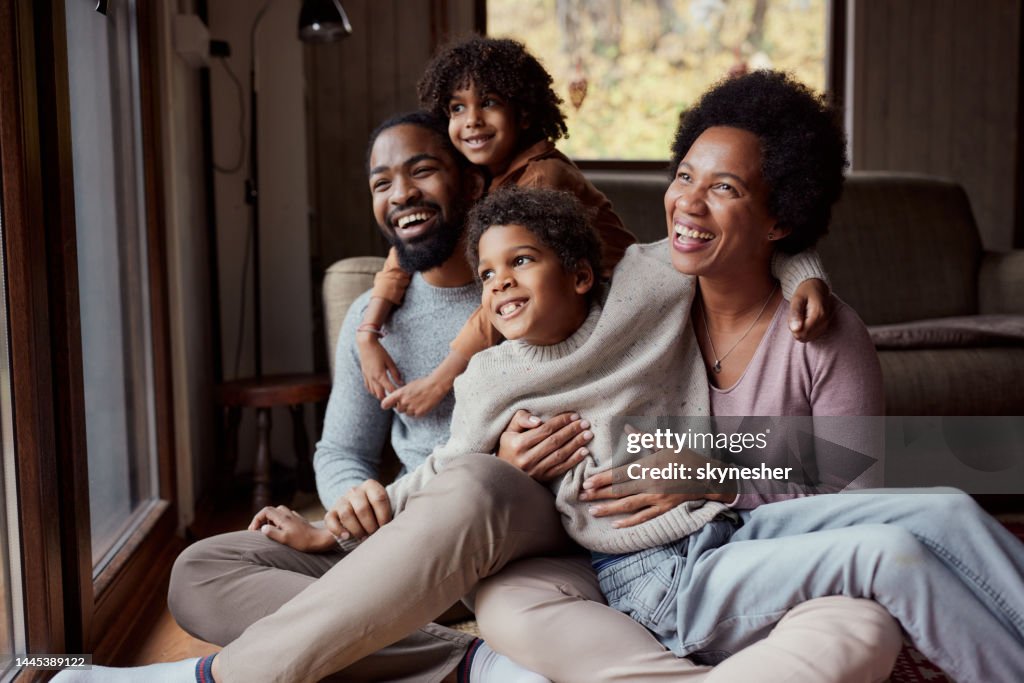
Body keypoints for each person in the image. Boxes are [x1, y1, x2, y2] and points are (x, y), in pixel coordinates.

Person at [474, 70, 1024, 683]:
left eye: (724, 187)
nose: (688, 200)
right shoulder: (642, 304)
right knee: (898, 554)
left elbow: (856, 481)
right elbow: (534, 360)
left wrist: (717, 469)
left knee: (948, 505)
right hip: (658, 563)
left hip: (756, 531)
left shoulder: (824, 331)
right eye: (684, 175)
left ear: (780, 220)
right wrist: (503, 454)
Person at [355, 36, 832, 418]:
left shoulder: (543, 177)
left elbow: (749, 240)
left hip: (615, 305)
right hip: (568, 315)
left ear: (522, 112)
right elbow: (407, 240)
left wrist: (444, 378)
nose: (472, 120)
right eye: (456, 108)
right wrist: (368, 329)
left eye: (489, 103)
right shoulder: (477, 179)